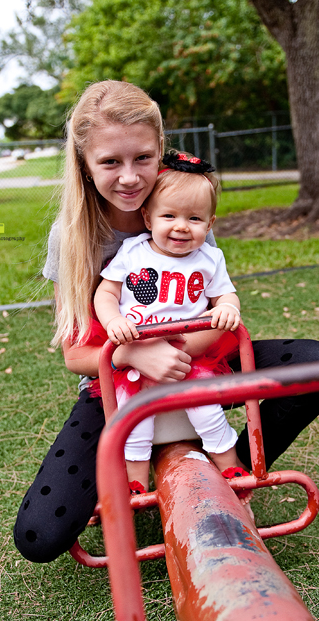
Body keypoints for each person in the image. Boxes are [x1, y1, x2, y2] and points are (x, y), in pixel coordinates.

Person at [14, 80, 319, 564]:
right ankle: (142, 462)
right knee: (40, 535)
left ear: (159, 149)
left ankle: (219, 472)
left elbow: (218, 309)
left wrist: (182, 355)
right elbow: (74, 352)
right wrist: (135, 352)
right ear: (84, 164)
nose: (129, 176)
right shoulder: (72, 237)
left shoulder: (184, 203)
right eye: (109, 162)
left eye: (143, 158)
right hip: (118, 383)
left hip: (201, 364)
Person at [93, 151, 245, 495]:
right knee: (135, 421)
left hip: (188, 357)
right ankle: (135, 483)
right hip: (138, 352)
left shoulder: (209, 258)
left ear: (210, 224)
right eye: (169, 215)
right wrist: (114, 319)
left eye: (194, 218)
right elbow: (105, 293)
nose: (181, 226)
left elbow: (226, 297)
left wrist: (227, 309)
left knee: (208, 410)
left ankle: (232, 468)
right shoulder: (133, 252)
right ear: (148, 219)